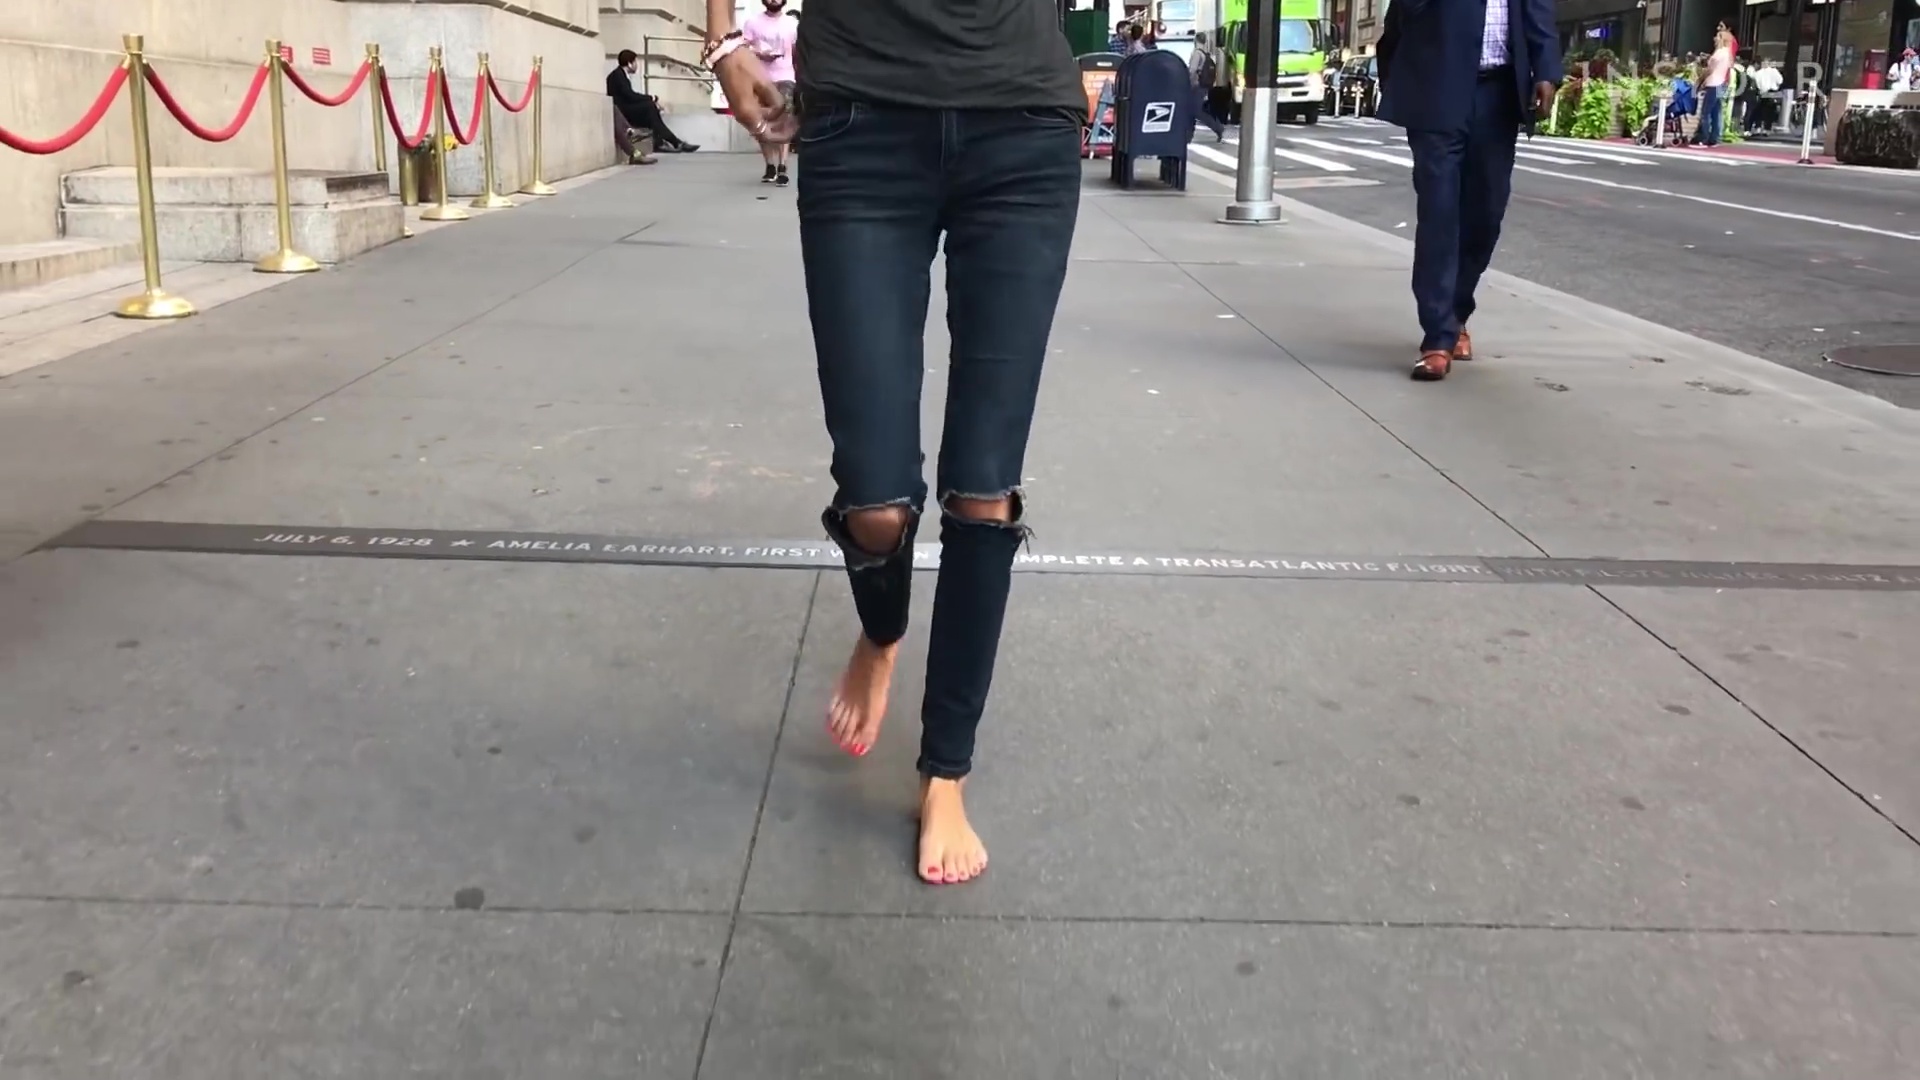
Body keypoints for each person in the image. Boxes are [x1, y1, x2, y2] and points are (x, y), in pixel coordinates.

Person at [702, 0, 1083, 885]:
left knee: (983, 490)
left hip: (1021, 123)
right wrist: (722, 46)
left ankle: (946, 770)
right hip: (861, 121)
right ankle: (882, 633)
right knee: (876, 501)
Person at [1378, 0, 1560, 381]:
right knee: (1439, 211)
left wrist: (1546, 69)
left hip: (1498, 94)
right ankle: (1437, 337)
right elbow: (1402, 15)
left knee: (1486, 214)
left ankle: (1456, 312)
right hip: (1437, 87)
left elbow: (1538, 10)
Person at [741, 0, 799, 185]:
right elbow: (743, 49)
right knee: (762, 121)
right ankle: (770, 165)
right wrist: (758, 53)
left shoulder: (792, 24)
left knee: (784, 120)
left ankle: (783, 166)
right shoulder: (753, 23)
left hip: (786, 77)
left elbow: (798, 53)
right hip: (760, 79)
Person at [606, 49, 700, 155]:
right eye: (635, 62)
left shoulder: (620, 74)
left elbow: (629, 96)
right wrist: (652, 98)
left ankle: (665, 142)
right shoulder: (618, 76)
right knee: (650, 107)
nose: (637, 65)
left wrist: (652, 100)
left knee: (652, 113)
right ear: (629, 63)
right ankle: (673, 142)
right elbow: (630, 96)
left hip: (626, 109)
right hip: (622, 113)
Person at [1697, 29, 1733, 146]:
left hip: (1713, 83)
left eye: (1717, 37)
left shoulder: (1718, 53)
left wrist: (1701, 80)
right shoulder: (1728, 53)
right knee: (1717, 112)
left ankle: (1705, 137)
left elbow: (1710, 70)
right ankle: (1715, 137)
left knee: (1706, 112)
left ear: (1721, 39)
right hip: (1722, 83)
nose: (1715, 39)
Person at [1188, 32, 1226, 140]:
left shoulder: (1197, 54)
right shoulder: (1205, 54)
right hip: (1203, 86)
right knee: (1193, 110)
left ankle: (1218, 128)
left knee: (1196, 111)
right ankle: (1189, 134)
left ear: (1196, 40)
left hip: (1197, 86)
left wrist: (1188, 82)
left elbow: (1192, 70)